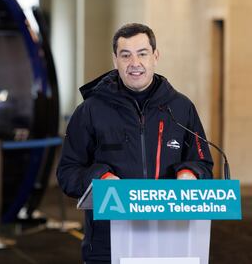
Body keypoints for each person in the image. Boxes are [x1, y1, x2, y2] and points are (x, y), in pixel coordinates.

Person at [56, 23, 213, 263]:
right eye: (125, 55)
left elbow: (203, 163)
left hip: (170, 240)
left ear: (155, 56)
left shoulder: (181, 108)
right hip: (107, 245)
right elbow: (67, 173)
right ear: (115, 60)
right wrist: (99, 178)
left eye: (142, 53)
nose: (135, 63)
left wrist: (191, 172)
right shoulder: (90, 111)